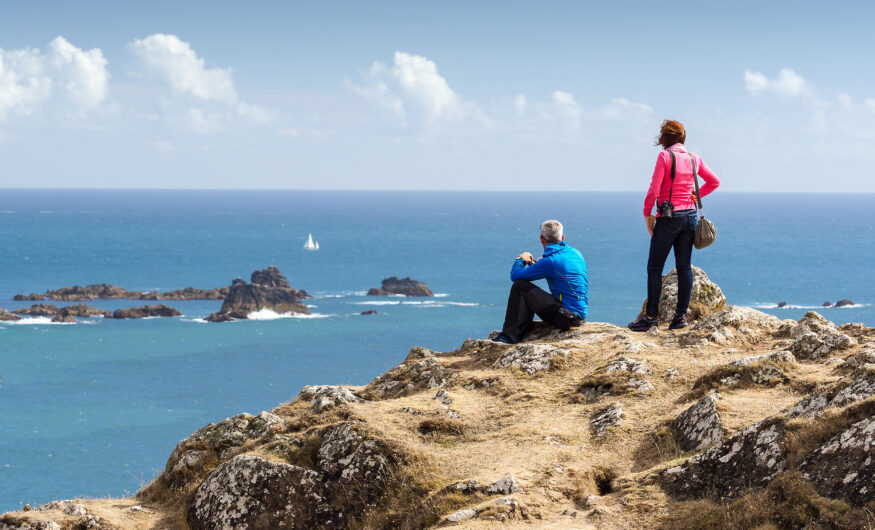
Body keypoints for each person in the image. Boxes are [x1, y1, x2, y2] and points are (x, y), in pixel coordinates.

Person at [628, 120, 720, 332]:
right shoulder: (693, 158)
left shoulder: (664, 156)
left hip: (668, 218)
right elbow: (714, 181)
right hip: (690, 217)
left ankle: (651, 317)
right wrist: (697, 196)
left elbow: (654, 188)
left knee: (654, 267)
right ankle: (680, 317)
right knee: (684, 267)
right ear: (682, 138)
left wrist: (647, 214)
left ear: (664, 140)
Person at [494, 219, 588, 344]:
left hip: (566, 318)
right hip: (578, 315)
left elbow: (515, 276)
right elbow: (558, 266)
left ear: (541, 239)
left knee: (520, 286)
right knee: (525, 288)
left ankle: (510, 336)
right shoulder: (575, 253)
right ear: (563, 237)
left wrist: (520, 259)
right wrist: (538, 264)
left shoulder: (550, 261)